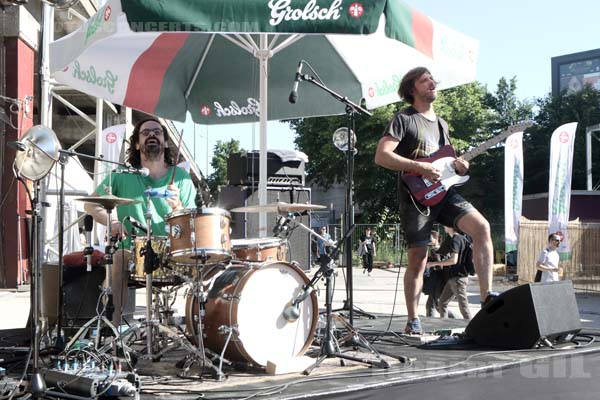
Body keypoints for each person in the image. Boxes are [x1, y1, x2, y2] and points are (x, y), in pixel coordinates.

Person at [374, 66, 495, 334]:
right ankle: (412, 319)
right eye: (424, 80)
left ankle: (487, 299)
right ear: (411, 89)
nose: (432, 83)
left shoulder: (441, 124)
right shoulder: (403, 119)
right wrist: (419, 168)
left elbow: (445, 162)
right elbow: (382, 156)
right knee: (418, 258)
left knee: (482, 228)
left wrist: (460, 167)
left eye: (432, 79)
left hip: (445, 192)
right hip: (416, 198)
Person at [84, 117, 197, 326]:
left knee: (206, 259)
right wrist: (113, 222)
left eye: (157, 132)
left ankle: (202, 334)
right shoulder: (121, 175)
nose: (152, 135)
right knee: (117, 260)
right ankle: (113, 334)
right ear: (137, 144)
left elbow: (192, 223)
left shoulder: (181, 178)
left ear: (165, 142)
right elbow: (91, 205)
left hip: (171, 250)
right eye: (145, 133)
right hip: (132, 250)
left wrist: (177, 206)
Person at [427, 226, 472, 319]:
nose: (444, 226)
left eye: (445, 224)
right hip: (453, 278)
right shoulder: (461, 238)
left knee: (463, 306)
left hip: (458, 279)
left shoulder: (456, 238)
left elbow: (453, 260)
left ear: (450, 226)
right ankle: (444, 327)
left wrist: (433, 263)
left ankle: (471, 326)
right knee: (442, 303)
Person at [423, 230, 456, 318]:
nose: (428, 240)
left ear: (436, 238)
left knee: (438, 306)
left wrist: (431, 265)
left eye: (430, 238)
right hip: (439, 281)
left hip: (438, 282)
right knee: (430, 304)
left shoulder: (435, 250)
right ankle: (430, 322)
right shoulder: (442, 249)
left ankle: (457, 320)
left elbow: (439, 266)